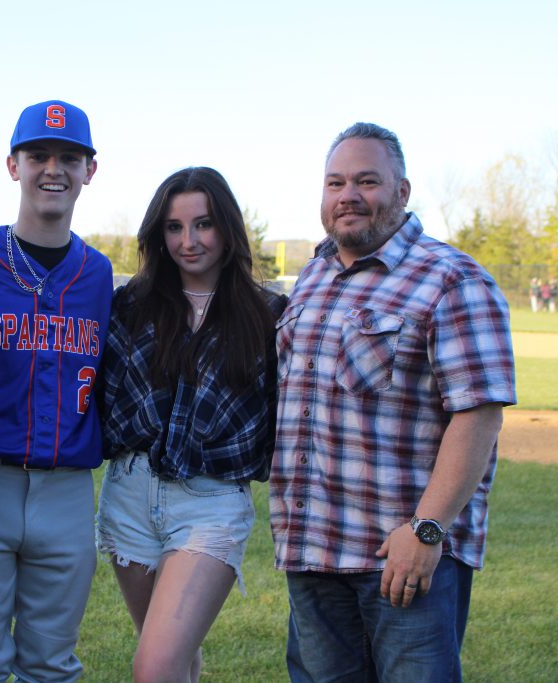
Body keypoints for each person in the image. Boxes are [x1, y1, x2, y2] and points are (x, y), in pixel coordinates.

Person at [270, 122, 516, 682]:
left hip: (399, 560)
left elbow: (478, 415)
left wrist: (426, 531)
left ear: (402, 192)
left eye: (366, 181)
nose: (348, 196)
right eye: (335, 183)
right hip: (312, 552)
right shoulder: (312, 278)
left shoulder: (451, 279)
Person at [0, 100, 112, 682]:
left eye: (69, 157)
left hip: (66, 493)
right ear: (13, 165)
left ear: (90, 169)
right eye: (38, 155)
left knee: (52, 666)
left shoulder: (99, 274)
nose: (52, 169)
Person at [96, 167, 285, 682]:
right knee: (173, 659)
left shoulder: (268, 315)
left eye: (202, 224)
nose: (188, 241)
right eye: (174, 228)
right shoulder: (129, 305)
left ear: (226, 227)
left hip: (210, 504)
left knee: (154, 667)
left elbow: (277, 417)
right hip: (129, 498)